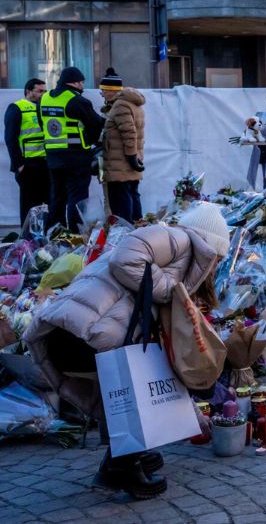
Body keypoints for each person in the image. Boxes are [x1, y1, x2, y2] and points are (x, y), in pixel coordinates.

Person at [24, 202, 231, 499]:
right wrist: (170, 291)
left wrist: (193, 418)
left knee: (131, 379)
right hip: (79, 335)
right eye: (218, 257)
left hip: (76, 334)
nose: (216, 265)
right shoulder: (178, 240)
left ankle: (126, 457)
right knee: (130, 382)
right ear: (210, 246)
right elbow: (125, 257)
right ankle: (121, 465)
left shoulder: (176, 256)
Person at [40, 67, 104, 232]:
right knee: (77, 198)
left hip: (53, 157)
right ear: (75, 82)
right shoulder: (77, 100)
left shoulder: (45, 98)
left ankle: (55, 233)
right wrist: (91, 142)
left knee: (57, 197)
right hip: (76, 158)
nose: (83, 86)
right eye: (82, 82)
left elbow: (43, 124)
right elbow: (95, 123)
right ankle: (76, 235)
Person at [98, 71, 146, 223]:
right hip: (129, 161)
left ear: (111, 91)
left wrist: (131, 157)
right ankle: (137, 227)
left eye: (103, 91)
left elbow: (129, 133)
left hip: (120, 163)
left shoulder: (120, 106)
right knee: (132, 194)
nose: (102, 94)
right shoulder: (132, 104)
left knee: (120, 201)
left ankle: (125, 231)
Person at [5, 78, 49, 226]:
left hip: (46, 163)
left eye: (45, 91)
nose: (43, 94)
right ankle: (28, 241)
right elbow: (10, 138)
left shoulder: (46, 108)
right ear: (28, 91)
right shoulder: (17, 107)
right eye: (40, 91)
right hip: (29, 165)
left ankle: (46, 239)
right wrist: (19, 165)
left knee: (49, 204)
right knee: (29, 206)